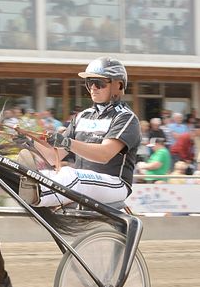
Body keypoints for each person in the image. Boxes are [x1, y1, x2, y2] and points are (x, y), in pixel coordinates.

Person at [17, 57, 140, 207]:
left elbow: (104, 154)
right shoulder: (82, 116)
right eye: (89, 83)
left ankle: (33, 195)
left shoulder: (126, 118)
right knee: (49, 174)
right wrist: (30, 142)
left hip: (115, 184)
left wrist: (68, 142)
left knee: (69, 174)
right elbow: (53, 156)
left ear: (118, 85)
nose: (93, 88)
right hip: (83, 181)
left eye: (99, 83)